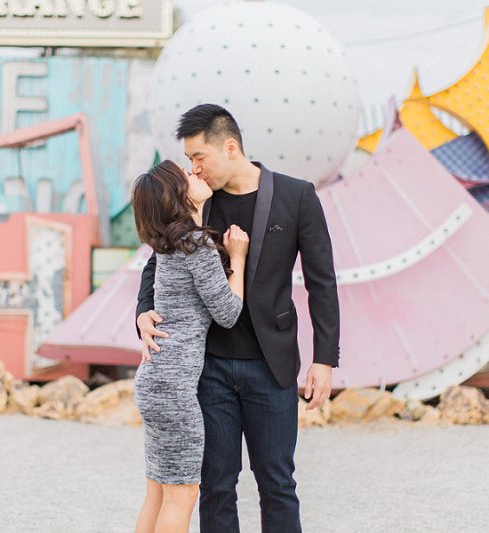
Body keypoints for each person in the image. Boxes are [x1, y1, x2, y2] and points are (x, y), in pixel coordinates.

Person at [136, 104, 340, 532]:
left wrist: (325, 360)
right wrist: (142, 314)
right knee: (216, 486)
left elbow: (323, 281)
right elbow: (156, 263)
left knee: (277, 483)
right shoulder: (196, 201)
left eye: (198, 158)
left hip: (272, 365)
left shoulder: (296, 195)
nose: (193, 169)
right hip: (207, 369)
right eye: (190, 160)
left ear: (229, 147)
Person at [131, 159, 251, 533]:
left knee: (157, 492)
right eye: (186, 174)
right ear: (177, 194)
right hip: (174, 388)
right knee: (182, 496)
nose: (194, 172)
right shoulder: (196, 246)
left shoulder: (168, 246)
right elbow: (228, 313)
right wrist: (239, 259)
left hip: (153, 379)